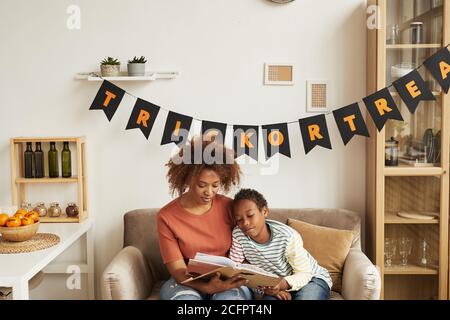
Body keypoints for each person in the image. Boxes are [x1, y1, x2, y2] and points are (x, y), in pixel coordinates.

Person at [157, 137, 253, 300]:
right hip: (187, 282)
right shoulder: (166, 217)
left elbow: (253, 246)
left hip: (227, 282)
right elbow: (179, 270)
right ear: (187, 179)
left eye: (215, 185)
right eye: (202, 185)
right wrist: (206, 287)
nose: (209, 192)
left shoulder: (230, 207)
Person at [229, 188, 332, 300]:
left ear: (264, 212)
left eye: (250, 215)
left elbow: (305, 274)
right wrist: (272, 289)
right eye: (239, 219)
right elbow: (236, 268)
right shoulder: (238, 234)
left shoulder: (287, 237)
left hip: (311, 278)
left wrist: (281, 284)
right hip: (275, 285)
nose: (245, 223)